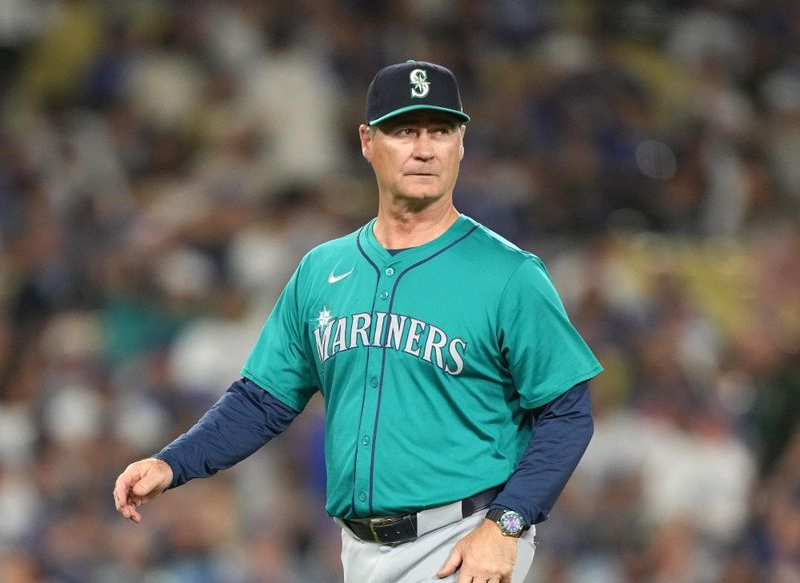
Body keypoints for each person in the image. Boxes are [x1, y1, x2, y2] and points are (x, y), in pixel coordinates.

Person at [114, 60, 603, 583]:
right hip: (358, 551)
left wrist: (506, 526)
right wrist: (174, 463)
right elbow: (264, 399)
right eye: (405, 130)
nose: (424, 148)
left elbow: (567, 414)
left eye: (441, 131)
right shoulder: (322, 270)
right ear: (368, 141)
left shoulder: (509, 275)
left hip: (464, 543)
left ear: (461, 143)